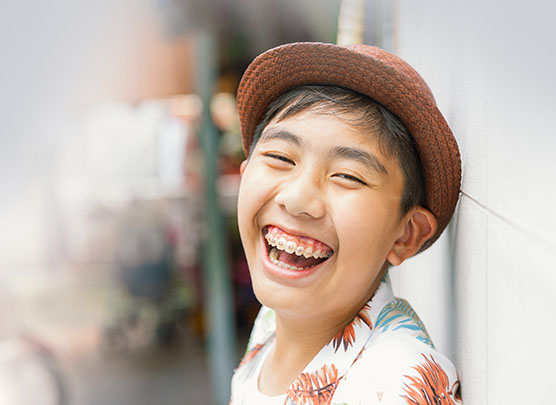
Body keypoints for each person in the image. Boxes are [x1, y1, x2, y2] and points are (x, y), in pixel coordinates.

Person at [230, 42, 462, 404]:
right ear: (245, 175)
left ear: (406, 234)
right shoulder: (273, 320)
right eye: (279, 157)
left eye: (348, 176)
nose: (297, 198)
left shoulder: (392, 386)